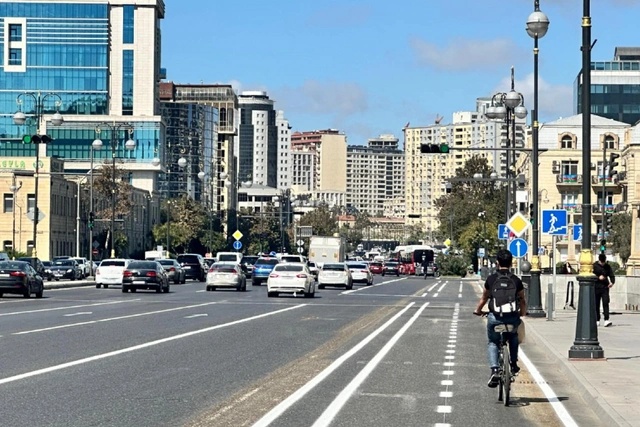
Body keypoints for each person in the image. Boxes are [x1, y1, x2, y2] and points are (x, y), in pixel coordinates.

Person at [474, 249, 527, 388]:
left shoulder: (491, 279)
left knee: (493, 342)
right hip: (512, 317)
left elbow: (484, 298)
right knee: (513, 336)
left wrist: (478, 310)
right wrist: (522, 313)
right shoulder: (516, 280)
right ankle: (514, 364)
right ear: (511, 263)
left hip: (495, 317)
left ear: (497, 263)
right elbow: (522, 300)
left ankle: (495, 369)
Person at [593, 253, 615, 327]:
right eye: (601, 262)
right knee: (596, 304)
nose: (603, 263)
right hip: (596, 287)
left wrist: (612, 282)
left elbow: (611, 274)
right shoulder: (594, 266)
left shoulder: (607, 266)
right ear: (599, 260)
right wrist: (598, 277)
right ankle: (597, 320)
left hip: (605, 287)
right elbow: (591, 275)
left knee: (606, 302)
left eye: (604, 262)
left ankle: (606, 319)